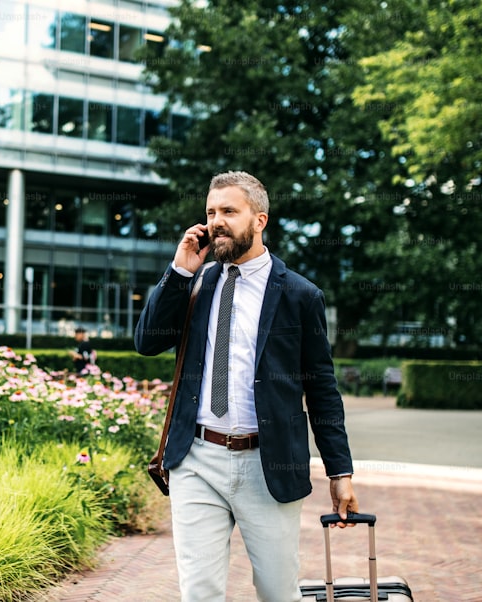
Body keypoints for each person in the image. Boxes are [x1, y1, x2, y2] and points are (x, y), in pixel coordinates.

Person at [134, 171, 359, 602]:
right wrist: (179, 271)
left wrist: (340, 471)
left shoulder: (300, 294)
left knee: (276, 591)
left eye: (229, 212)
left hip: (268, 463)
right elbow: (147, 342)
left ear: (259, 220)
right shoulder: (196, 282)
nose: (216, 221)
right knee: (199, 592)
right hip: (196, 459)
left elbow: (323, 387)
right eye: (210, 212)